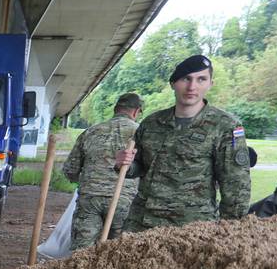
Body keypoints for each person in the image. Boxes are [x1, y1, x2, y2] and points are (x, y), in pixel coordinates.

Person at [115, 55, 252, 232]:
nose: (192, 87)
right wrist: (123, 164)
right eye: (185, 78)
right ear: (173, 83)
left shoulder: (226, 126)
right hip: (142, 223)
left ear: (210, 84)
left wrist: (229, 233)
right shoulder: (152, 123)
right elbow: (139, 166)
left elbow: (236, 186)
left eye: (201, 79)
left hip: (191, 230)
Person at [63, 93, 143, 249]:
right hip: (124, 201)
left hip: (90, 200)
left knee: (82, 253)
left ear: (115, 109)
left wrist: (87, 181)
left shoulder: (90, 132)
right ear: (136, 111)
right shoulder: (142, 133)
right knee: (117, 254)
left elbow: (70, 170)